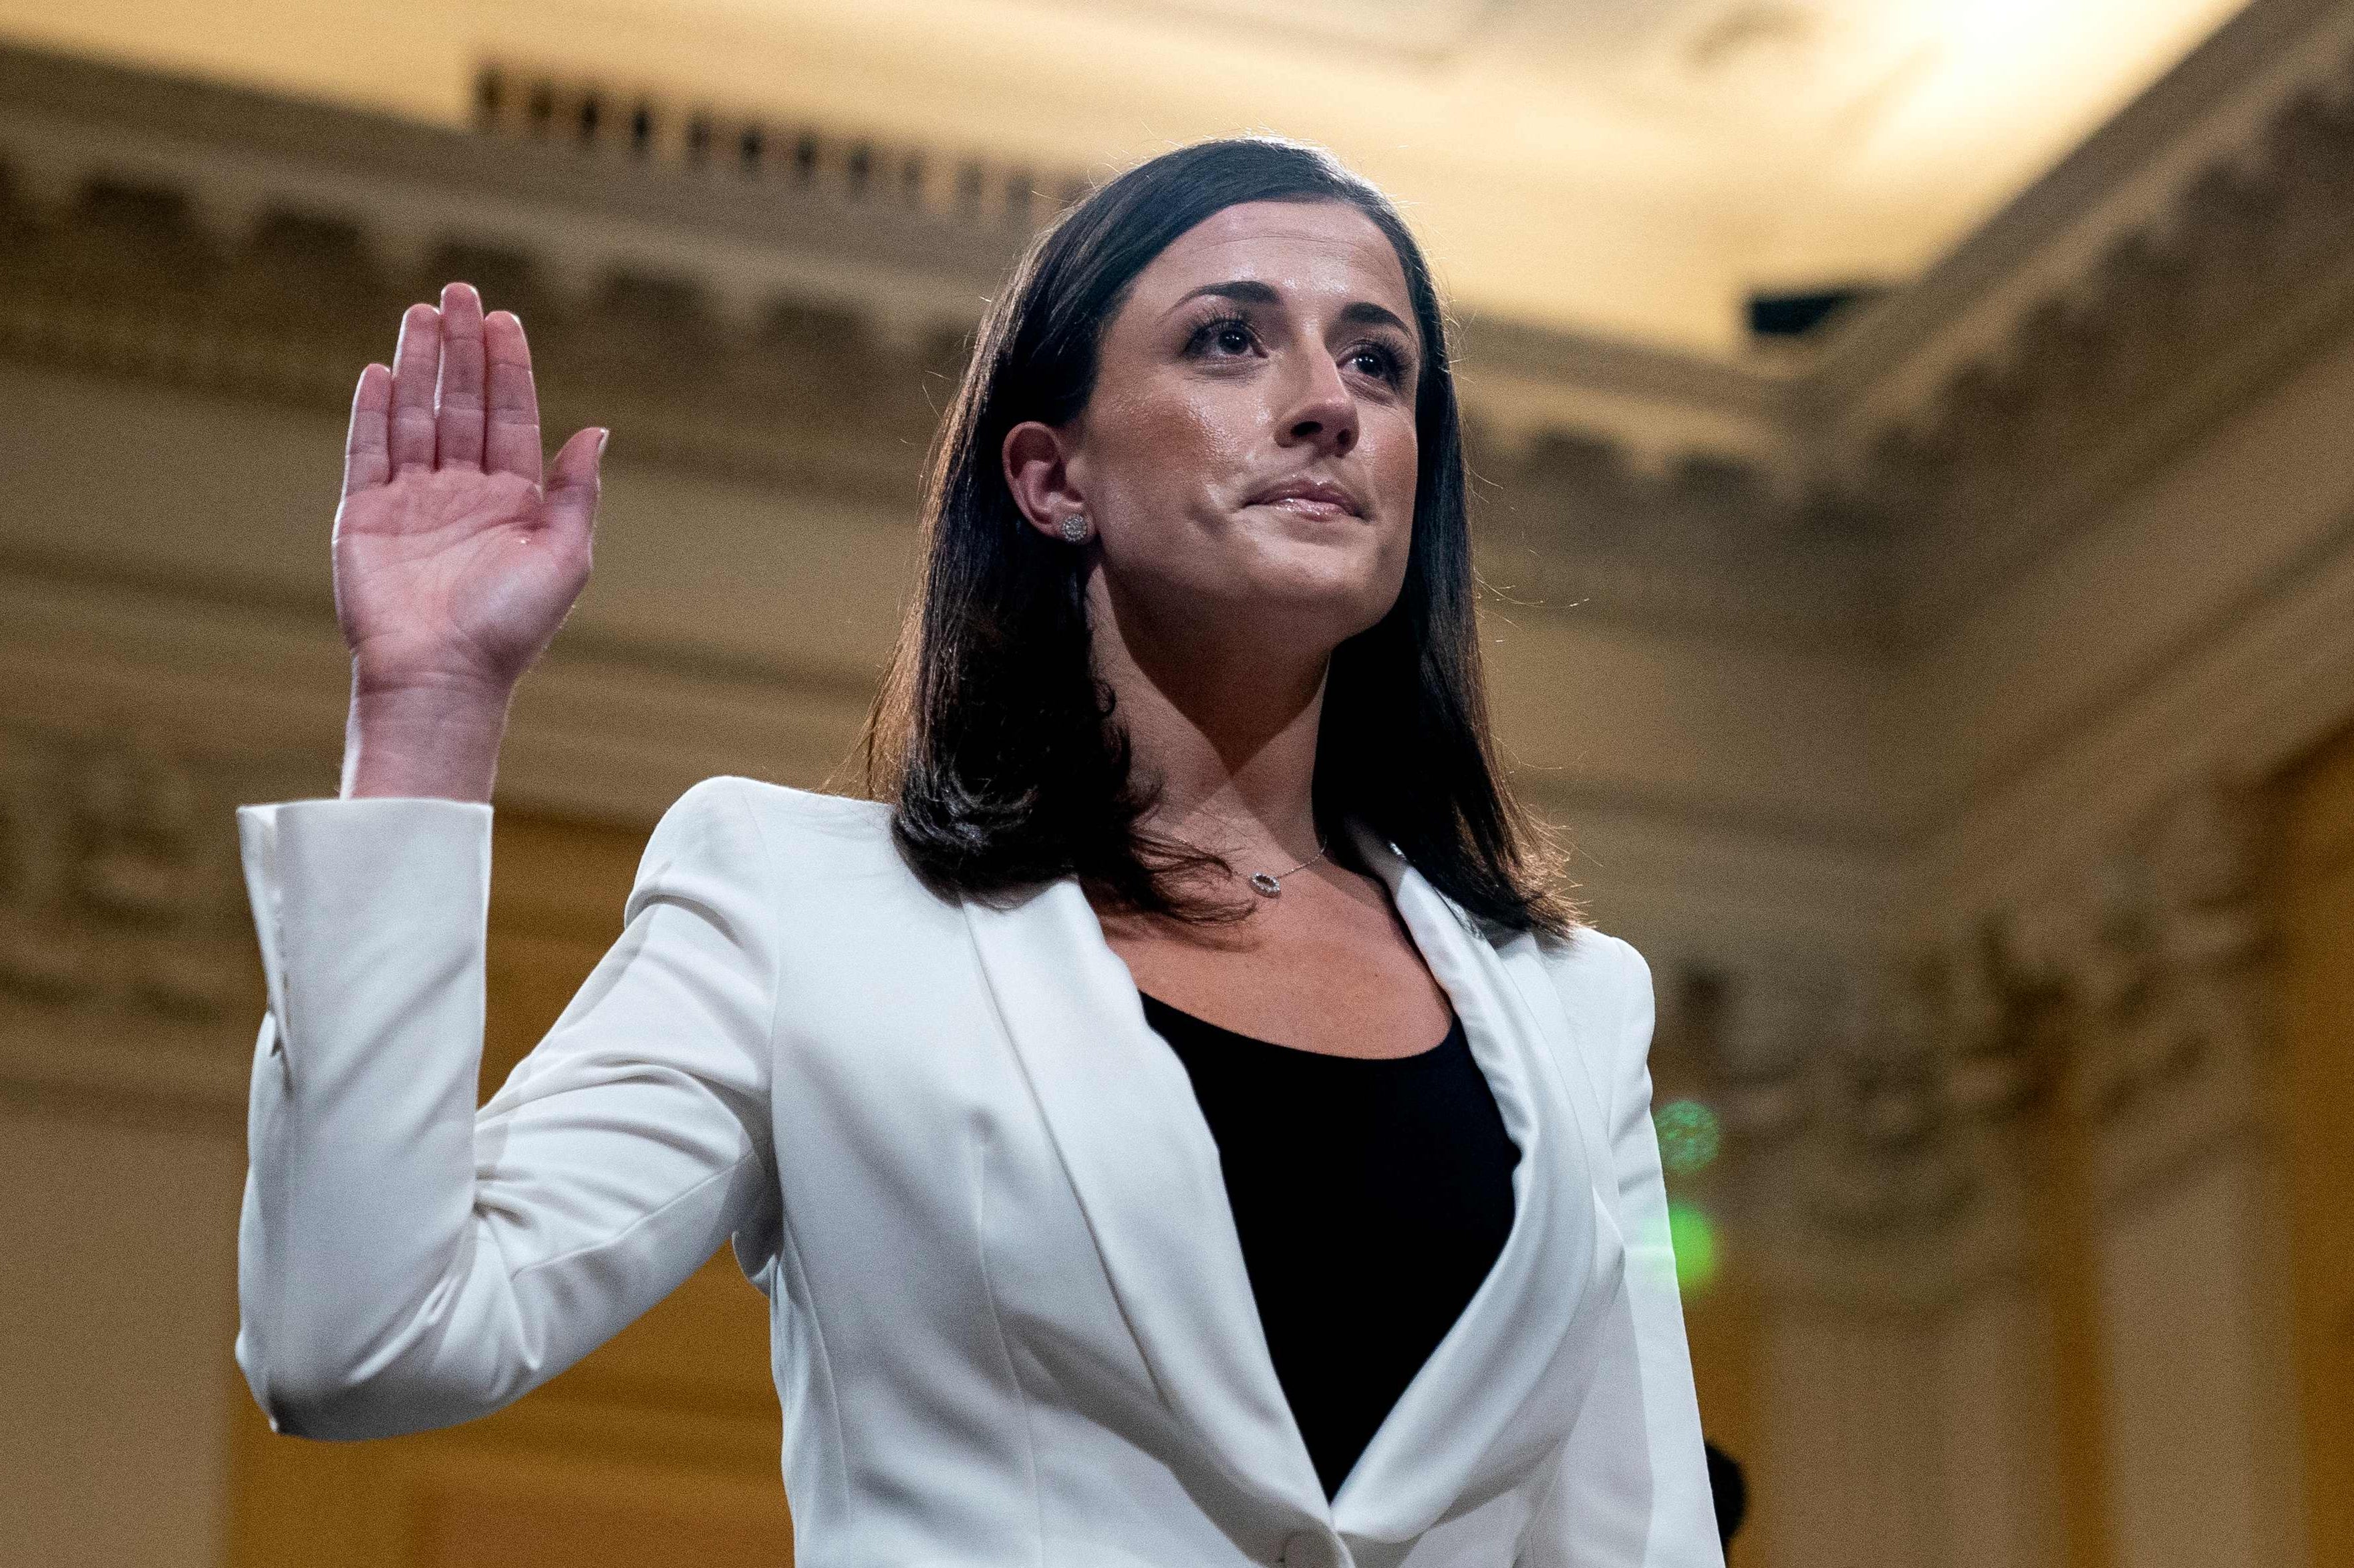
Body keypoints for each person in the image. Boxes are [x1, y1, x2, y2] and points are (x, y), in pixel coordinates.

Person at [231, 135, 1723, 1567]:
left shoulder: (1576, 1007)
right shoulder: (797, 905)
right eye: (1229, 340)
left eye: (1377, 361)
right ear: (1047, 477)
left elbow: (1633, 1546)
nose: (1327, 401)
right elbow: (362, 1340)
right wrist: (427, 706)